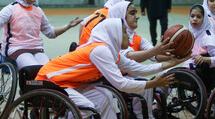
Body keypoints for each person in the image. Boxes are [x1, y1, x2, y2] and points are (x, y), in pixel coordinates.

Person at [35, 18, 190, 118]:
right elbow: (121, 84)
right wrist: (152, 84)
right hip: (50, 79)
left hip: (69, 82)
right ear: (114, 33)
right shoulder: (99, 50)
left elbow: (137, 68)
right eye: (124, 32)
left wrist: (174, 62)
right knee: (87, 107)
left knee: (106, 97)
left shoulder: (110, 51)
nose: (128, 36)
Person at [108, 1, 175, 118]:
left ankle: (151, 110)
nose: (137, 16)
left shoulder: (137, 37)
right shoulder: (114, 36)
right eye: (132, 13)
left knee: (164, 74)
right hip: (113, 77)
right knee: (142, 81)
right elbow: (129, 56)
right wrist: (155, 50)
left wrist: (173, 55)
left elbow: (154, 56)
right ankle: (142, 116)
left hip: (129, 73)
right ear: (121, 16)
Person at [0, 0, 82, 70]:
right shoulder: (10, 9)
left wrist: (68, 26)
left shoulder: (38, 10)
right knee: (34, 69)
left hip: (36, 49)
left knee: (49, 69)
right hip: (16, 50)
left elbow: (50, 33)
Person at [183, 4, 215, 93]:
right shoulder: (189, 34)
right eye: (192, 16)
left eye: (198, 17)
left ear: (204, 19)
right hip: (187, 69)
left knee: (169, 78)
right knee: (164, 75)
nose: (195, 19)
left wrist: (206, 59)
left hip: (201, 73)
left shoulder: (208, 37)